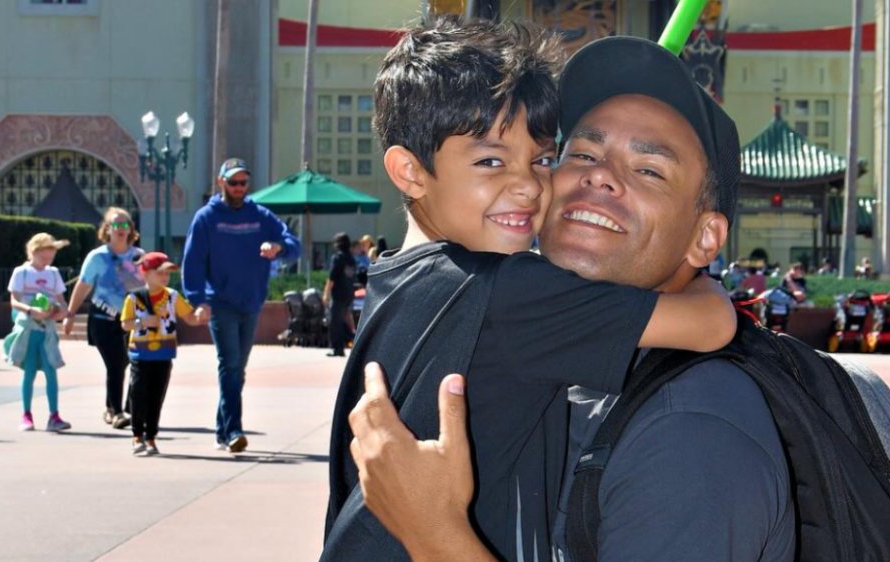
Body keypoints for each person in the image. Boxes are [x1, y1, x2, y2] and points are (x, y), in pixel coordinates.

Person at [326, 32, 791, 562]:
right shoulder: (512, 296)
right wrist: (709, 289)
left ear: (707, 236)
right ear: (410, 171)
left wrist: (436, 534)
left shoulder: (692, 433)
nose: (597, 176)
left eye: (542, 159)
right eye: (582, 153)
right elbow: (713, 323)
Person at [182, 157, 301, 453]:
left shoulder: (260, 215)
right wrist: (198, 300)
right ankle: (234, 429)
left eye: (243, 182)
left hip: (251, 302)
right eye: (233, 182)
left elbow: (293, 245)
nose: (238, 187)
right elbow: (192, 262)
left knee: (238, 369)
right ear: (221, 182)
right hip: (220, 303)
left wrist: (279, 247)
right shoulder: (206, 218)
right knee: (230, 364)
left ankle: (223, 430)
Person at [63, 208, 146, 430]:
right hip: (102, 319)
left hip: (130, 321)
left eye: (125, 224)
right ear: (107, 229)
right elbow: (83, 285)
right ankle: (118, 413)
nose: (120, 229)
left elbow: (146, 287)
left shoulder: (138, 256)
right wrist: (70, 314)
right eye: (116, 225)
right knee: (116, 364)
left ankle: (116, 407)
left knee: (130, 363)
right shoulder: (97, 257)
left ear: (131, 229)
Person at [120, 252, 202, 456]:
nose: (165, 277)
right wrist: (141, 322)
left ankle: (151, 437)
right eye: (160, 273)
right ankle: (137, 435)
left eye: (167, 273)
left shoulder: (172, 296)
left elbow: (190, 317)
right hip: (140, 354)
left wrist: (202, 315)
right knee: (138, 394)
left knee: (156, 397)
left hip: (164, 354)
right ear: (145, 273)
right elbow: (125, 324)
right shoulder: (134, 298)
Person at [6, 233, 72, 432]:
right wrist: (30, 310)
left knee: (51, 369)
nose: (47, 262)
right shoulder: (22, 272)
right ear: (33, 252)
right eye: (43, 257)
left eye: (50, 258)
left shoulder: (53, 273)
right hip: (29, 328)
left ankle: (54, 415)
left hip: (47, 329)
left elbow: (62, 301)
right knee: (30, 371)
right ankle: (26, 414)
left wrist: (61, 312)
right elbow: (14, 300)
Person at [323, 232, 357, 357]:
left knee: (335, 322)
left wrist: (326, 294)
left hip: (338, 294)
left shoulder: (337, 258)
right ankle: (347, 342)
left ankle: (337, 348)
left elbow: (332, 277)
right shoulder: (352, 259)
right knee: (343, 320)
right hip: (349, 293)